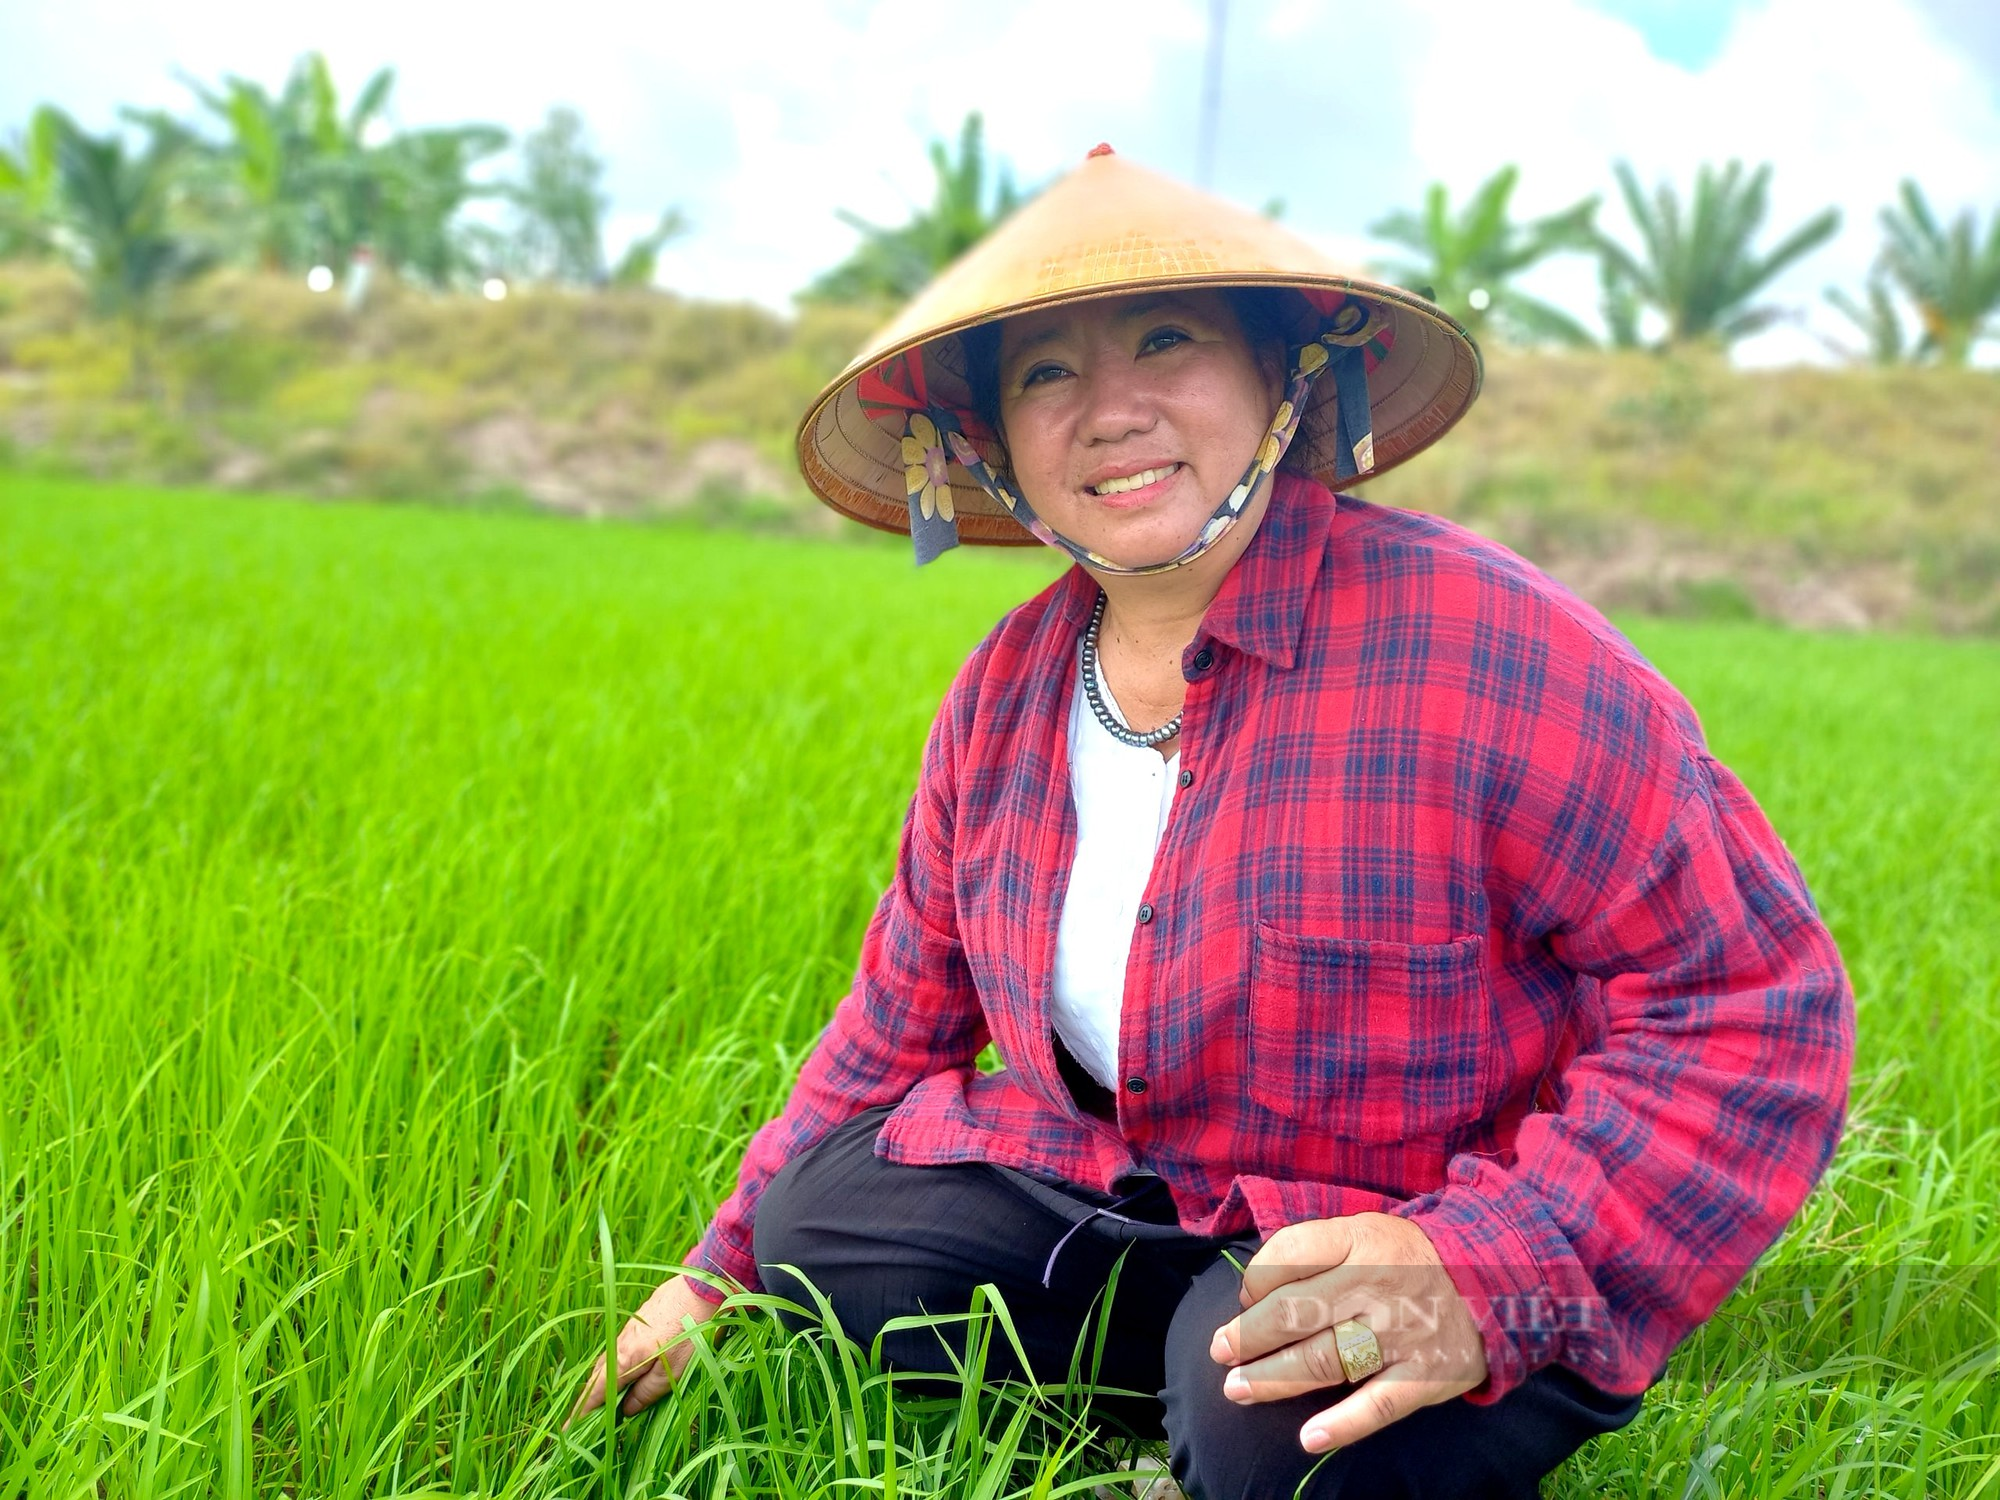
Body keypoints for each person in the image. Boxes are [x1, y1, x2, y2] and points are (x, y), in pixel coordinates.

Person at [567, 147, 1853, 1499]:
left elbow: (1758, 997)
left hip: (1419, 1233)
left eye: (1165, 342)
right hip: (1155, 1209)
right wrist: (714, 1277)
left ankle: (1233, 1416)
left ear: (1282, 386)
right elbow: (894, 1024)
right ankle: (1180, 1385)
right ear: (993, 451)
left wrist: (1500, 1263)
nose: (1109, 411)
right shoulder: (1005, 696)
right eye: (1046, 373)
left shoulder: (1495, 652)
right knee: (821, 1215)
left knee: (1277, 1441)